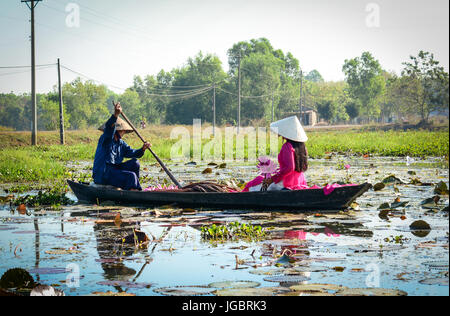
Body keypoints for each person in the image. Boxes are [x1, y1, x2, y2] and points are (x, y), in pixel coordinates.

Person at [92, 102, 151, 191]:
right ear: (117, 131)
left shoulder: (121, 143)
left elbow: (133, 153)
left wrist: (143, 149)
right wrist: (116, 114)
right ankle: (133, 190)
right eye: (122, 131)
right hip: (104, 174)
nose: (123, 133)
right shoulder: (105, 139)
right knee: (131, 176)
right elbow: (109, 129)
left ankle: (133, 188)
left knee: (135, 163)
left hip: (114, 171)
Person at [243, 116, 308, 192]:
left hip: (286, 183)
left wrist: (273, 179)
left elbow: (290, 168)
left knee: (254, 185)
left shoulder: (287, 146)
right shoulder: (302, 147)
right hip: (299, 181)